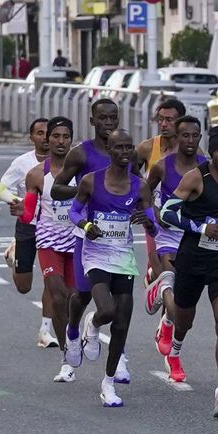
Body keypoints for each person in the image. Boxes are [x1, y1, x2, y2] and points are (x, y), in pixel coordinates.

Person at [148, 124, 218, 418]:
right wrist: (202, 226)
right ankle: (165, 293)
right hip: (193, 258)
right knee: (184, 318)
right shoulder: (196, 177)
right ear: (212, 153)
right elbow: (167, 212)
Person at [69, 129, 154, 408]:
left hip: (124, 256)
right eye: (119, 147)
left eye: (129, 147)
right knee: (106, 310)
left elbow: (152, 220)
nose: (125, 152)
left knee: (121, 324)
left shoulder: (140, 186)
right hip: (95, 254)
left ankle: (108, 383)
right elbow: (74, 211)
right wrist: (85, 225)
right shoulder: (92, 181)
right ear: (110, 149)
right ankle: (92, 324)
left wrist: (147, 220)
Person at [51, 98, 124, 378]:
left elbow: (139, 187)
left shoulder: (126, 151)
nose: (108, 123)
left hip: (118, 238)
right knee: (82, 293)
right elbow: (57, 189)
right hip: (87, 233)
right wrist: (84, 192)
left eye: (113, 118)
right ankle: (72, 331)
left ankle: (118, 360)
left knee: (120, 300)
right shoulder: (81, 154)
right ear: (92, 121)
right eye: (103, 118)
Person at [144, 114, 202, 383]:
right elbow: (144, 192)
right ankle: (173, 354)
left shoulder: (207, 166)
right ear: (176, 138)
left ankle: (169, 331)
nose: (190, 140)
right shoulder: (162, 166)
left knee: (186, 312)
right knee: (172, 284)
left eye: (195, 135)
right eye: (185, 135)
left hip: (197, 238)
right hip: (168, 235)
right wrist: (154, 215)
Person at [23, 117, 81, 380]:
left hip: (78, 240)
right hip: (49, 241)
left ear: (71, 139)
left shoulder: (84, 173)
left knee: (72, 298)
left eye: (65, 136)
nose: (60, 141)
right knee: (57, 295)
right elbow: (28, 213)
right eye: (55, 136)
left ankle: (75, 334)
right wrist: (20, 211)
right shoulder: (36, 175)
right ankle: (66, 358)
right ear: (48, 140)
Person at [0, 118, 58, 348]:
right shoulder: (23, 163)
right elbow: (1, 189)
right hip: (27, 225)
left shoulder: (65, 162)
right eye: (39, 133)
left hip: (53, 227)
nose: (44, 137)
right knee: (24, 287)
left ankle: (45, 331)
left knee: (53, 280)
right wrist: (20, 203)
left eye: (47, 133)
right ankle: (13, 257)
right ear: (31, 137)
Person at [136, 97, 186, 281]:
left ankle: (168, 305)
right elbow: (129, 173)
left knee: (178, 273)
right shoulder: (147, 147)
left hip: (180, 219)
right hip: (153, 215)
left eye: (169, 120)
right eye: (161, 119)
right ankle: (154, 276)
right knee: (162, 272)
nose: (163, 124)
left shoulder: (191, 151)